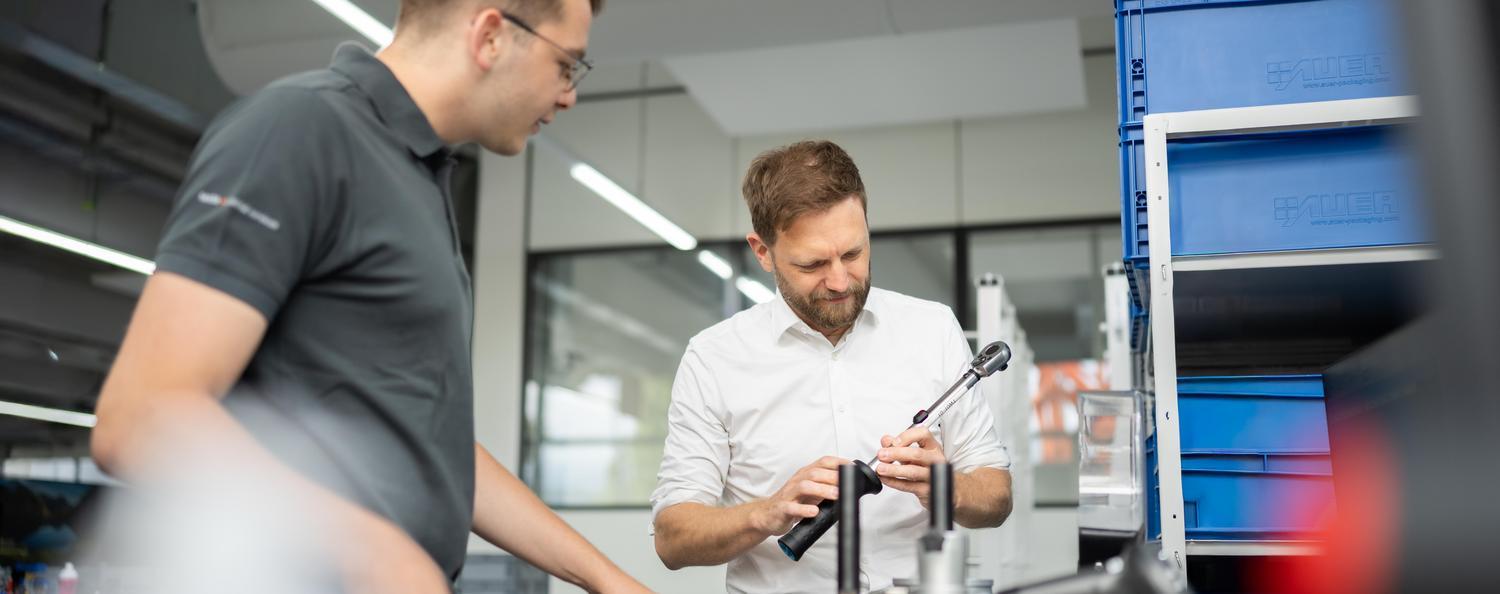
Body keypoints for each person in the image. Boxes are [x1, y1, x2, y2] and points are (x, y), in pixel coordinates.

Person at [90, 1, 649, 592]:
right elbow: (142, 419)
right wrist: (381, 553)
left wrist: (607, 580)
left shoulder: (420, 178)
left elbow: (440, 453)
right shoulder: (300, 129)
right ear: (490, 36)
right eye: (567, 65)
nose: (569, 96)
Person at [650, 140, 1014, 593]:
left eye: (854, 254)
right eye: (813, 263)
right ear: (762, 252)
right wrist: (767, 512)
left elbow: (997, 496)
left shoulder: (933, 329)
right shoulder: (714, 358)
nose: (840, 280)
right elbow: (672, 538)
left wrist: (944, 486)